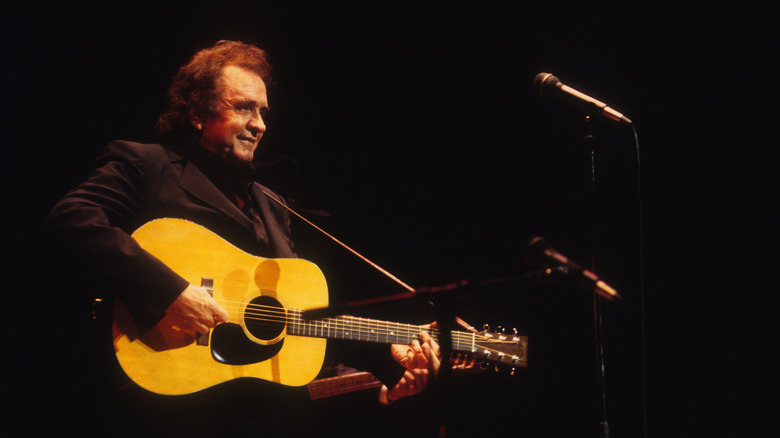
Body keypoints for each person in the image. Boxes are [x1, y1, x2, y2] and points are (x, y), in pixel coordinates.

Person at [44, 40, 440, 435]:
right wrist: (171, 292)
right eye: (244, 107)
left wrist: (387, 370)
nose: (260, 124)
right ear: (197, 112)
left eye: (263, 111)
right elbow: (73, 217)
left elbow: (288, 336)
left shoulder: (271, 205)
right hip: (155, 410)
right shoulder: (148, 165)